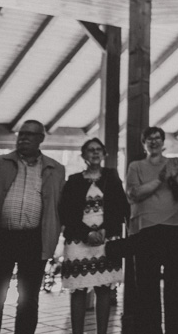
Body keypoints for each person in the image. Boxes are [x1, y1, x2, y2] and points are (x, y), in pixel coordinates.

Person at [0, 120, 66, 334]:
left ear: (41, 139)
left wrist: (51, 237)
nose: (23, 137)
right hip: (0, 237)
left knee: (28, 298)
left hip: (35, 240)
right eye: (21, 133)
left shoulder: (56, 169)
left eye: (30, 134)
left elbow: (59, 207)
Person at [125, 126, 178, 334]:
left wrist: (174, 177)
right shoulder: (135, 166)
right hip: (146, 229)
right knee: (146, 284)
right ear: (144, 143)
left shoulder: (175, 163)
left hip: (175, 227)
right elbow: (133, 194)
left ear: (163, 141)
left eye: (157, 138)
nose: (154, 141)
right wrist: (160, 179)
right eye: (149, 138)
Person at [59, 138, 129, 334]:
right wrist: (86, 233)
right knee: (78, 289)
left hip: (106, 238)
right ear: (83, 155)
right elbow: (66, 212)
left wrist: (105, 230)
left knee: (104, 287)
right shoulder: (73, 180)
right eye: (90, 150)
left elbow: (121, 207)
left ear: (104, 154)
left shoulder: (112, 176)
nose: (95, 153)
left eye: (99, 149)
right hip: (78, 239)